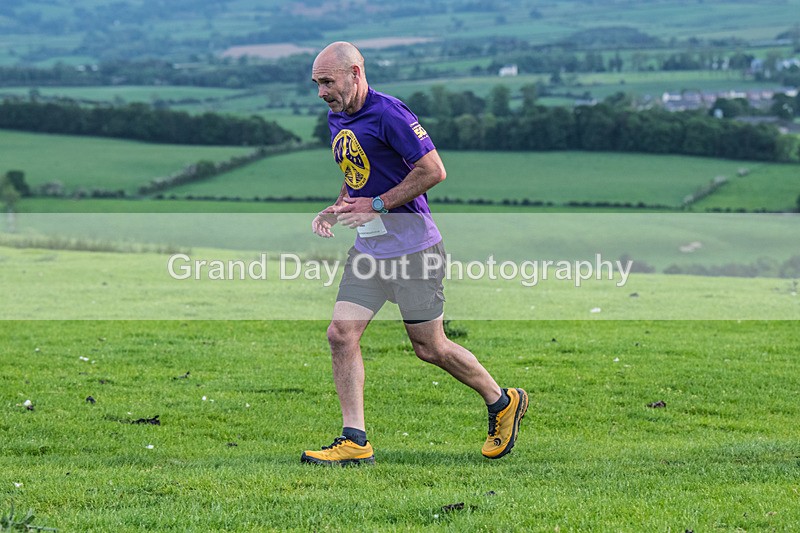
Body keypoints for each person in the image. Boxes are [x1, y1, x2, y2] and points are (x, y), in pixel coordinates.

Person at [301, 41, 527, 466]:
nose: (321, 93)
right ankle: (355, 440)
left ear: (355, 72)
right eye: (316, 84)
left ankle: (502, 401)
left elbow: (434, 170)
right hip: (370, 247)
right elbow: (358, 174)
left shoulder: (390, 114)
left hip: (414, 250)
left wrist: (379, 205)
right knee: (340, 334)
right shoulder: (338, 117)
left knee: (430, 347)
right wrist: (340, 206)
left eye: (327, 82)